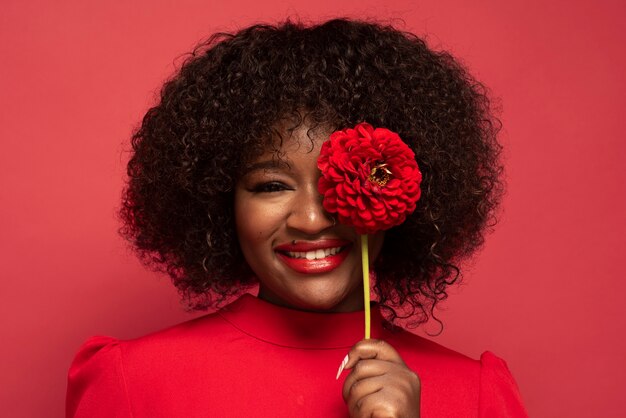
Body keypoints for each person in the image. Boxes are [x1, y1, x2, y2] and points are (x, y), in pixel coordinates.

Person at [66, 18, 528, 417]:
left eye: (339, 182)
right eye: (271, 185)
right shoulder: (132, 381)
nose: (310, 220)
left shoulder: (477, 392)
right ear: (219, 201)